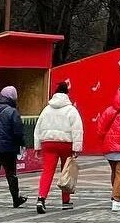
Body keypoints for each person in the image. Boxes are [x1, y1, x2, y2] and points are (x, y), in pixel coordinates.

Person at [33, 80, 84, 214]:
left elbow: (38, 128)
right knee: (65, 171)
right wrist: (76, 148)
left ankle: (41, 198)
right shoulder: (71, 110)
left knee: (47, 171)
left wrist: (37, 146)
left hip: (48, 143)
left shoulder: (46, 109)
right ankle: (65, 201)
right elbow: (77, 129)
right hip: (65, 143)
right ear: (67, 93)